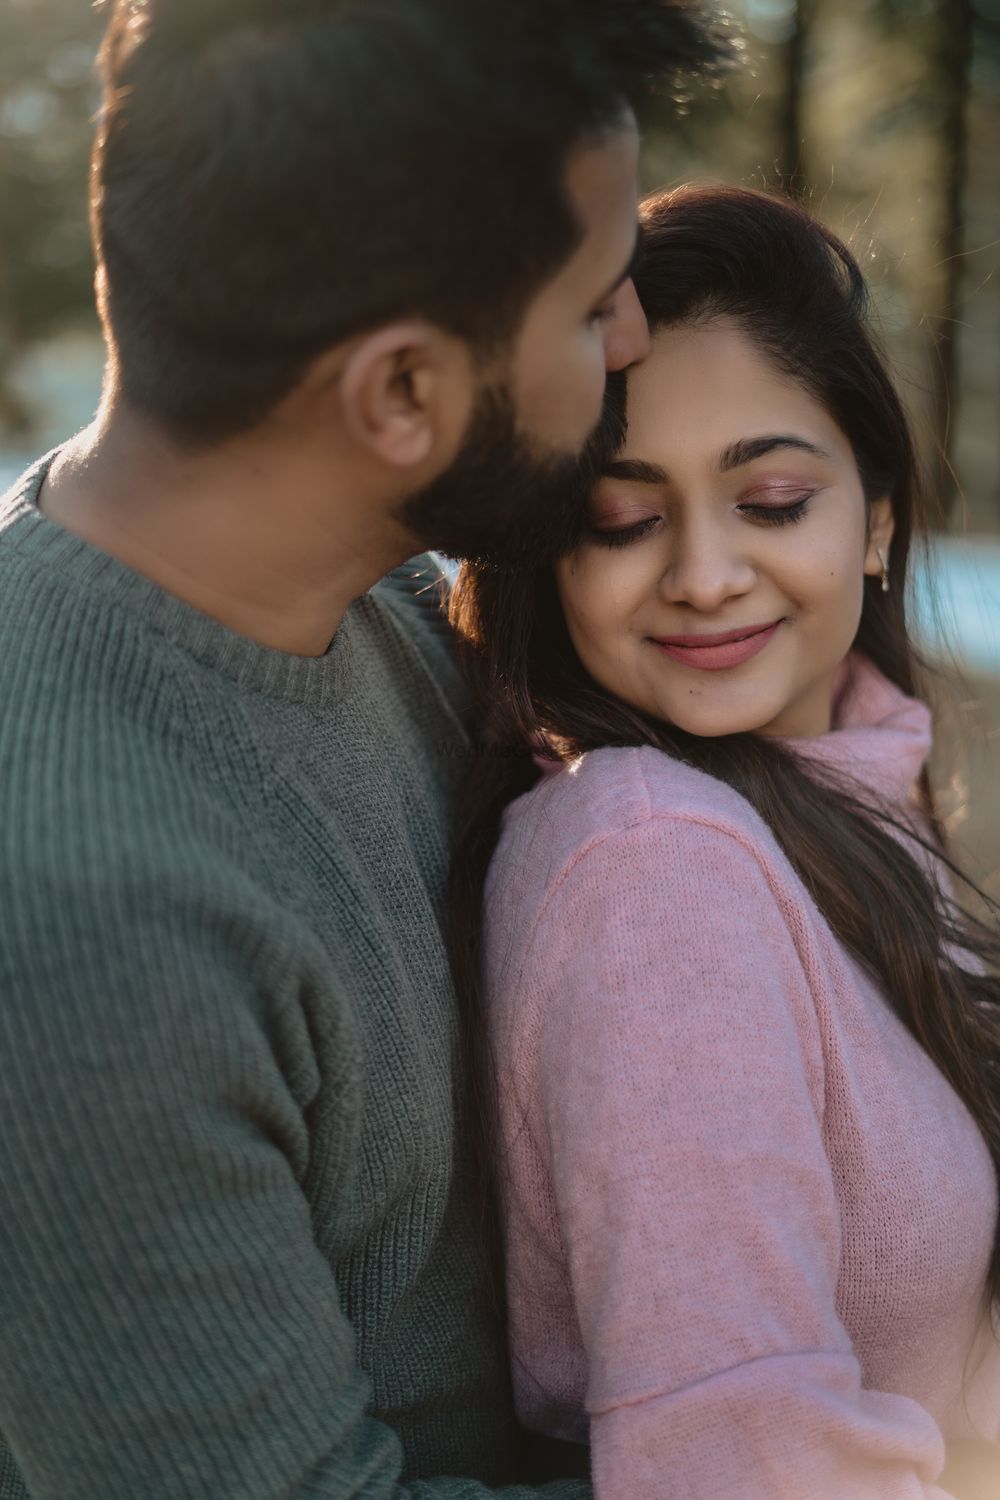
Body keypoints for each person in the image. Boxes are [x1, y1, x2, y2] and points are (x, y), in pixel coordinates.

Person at [0, 3, 733, 1496]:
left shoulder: (394, 598)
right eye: (594, 302)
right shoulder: (79, 922)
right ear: (402, 393)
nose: (636, 336)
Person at [447, 185, 1000, 1498]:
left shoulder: (850, 790)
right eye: (624, 520)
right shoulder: (655, 861)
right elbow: (733, 1458)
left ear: (871, 518)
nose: (703, 573)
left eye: (771, 499)